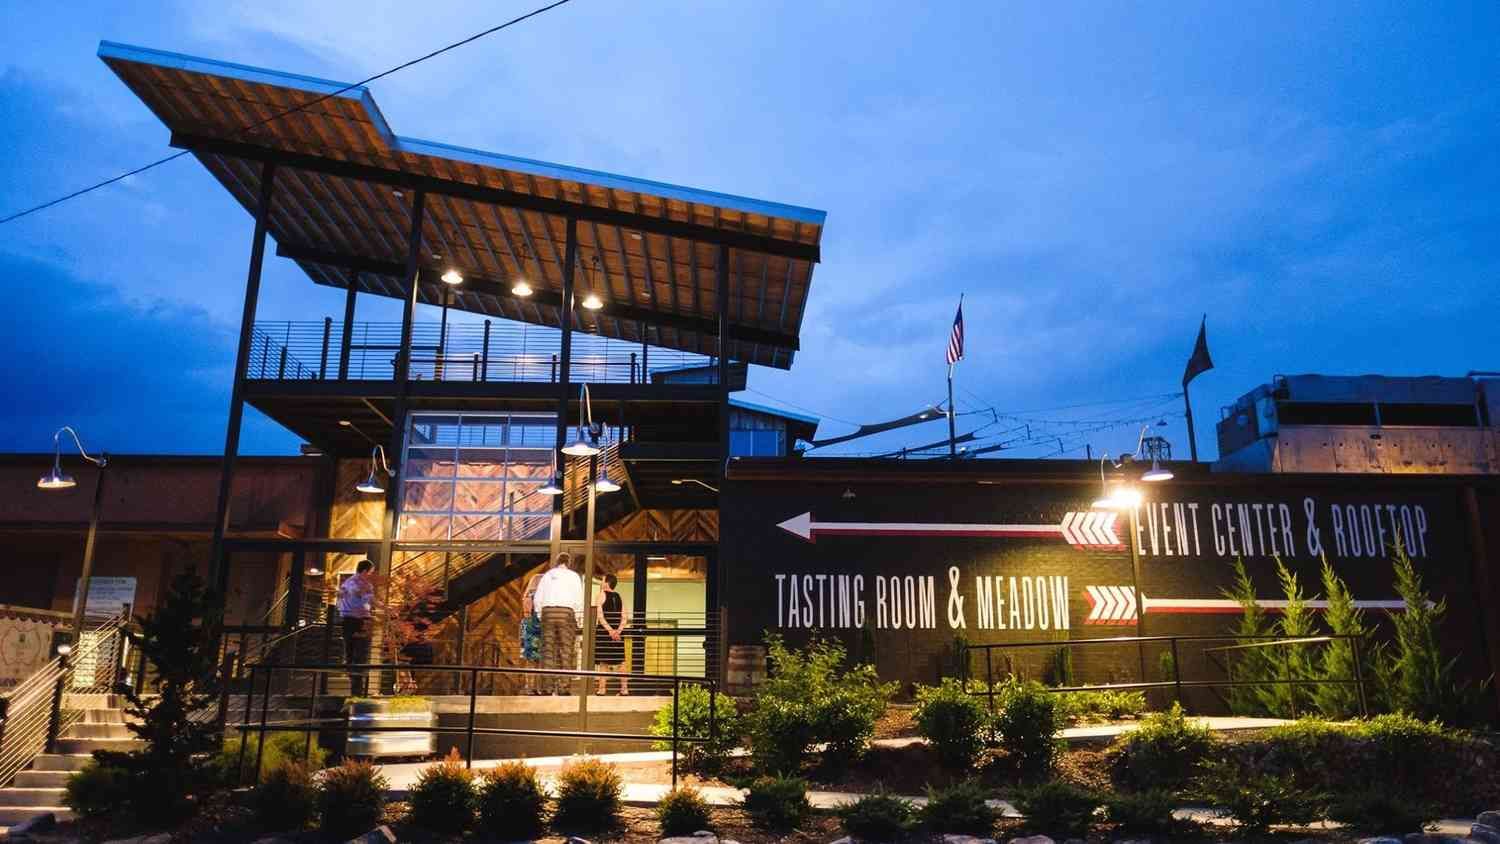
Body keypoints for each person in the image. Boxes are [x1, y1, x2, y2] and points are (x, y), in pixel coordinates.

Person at [532, 552, 584, 695]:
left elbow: (538, 597)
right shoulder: (574, 576)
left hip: (548, 612)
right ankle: (564, 688)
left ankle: (547, 688)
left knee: (548, 651)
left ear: (557, 562)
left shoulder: (548, 575)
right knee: (566, 651)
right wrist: (578, 618)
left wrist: (540, 614)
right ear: (569, 562)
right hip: (566, 613)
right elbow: (579, 599)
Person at [337, 559, 376, 696]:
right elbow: (359, 596)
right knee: (359, 654)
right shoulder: (358, 583)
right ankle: (356, 690)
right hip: (358, 620)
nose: (371, 575)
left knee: (351, 652)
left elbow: (342, 598)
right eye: (371, 572)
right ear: (365, 571)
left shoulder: (347, 583)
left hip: (348, 620)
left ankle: (355, 685)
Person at [593, 573, 629, 695]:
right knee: (621, 662)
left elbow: (600, 616)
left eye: (602, 580)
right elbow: (625, 616)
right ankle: (624, 689)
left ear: (607, 583)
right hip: (618, 634)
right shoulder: (620, 596)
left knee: (604, 662)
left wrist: (610, 631)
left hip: (605, 633)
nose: (601, 583)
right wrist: (618, 631)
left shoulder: (601, 595)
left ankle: (602, 689)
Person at [519, 569, 544, 695]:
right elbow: (528, 613)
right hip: (533, 628)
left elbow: (527, 614)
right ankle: (531, 687)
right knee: (534, 659)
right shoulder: (531, 596)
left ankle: (532, 687)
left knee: (533, 660)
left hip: (532, 627)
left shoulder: (530, 595)